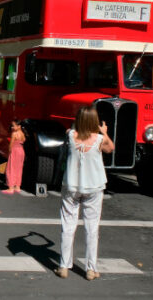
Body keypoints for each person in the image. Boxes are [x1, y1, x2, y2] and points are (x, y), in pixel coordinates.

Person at [55, 107, 115, 281]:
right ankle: (91, 269)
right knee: (91, 227)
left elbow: (71, 129)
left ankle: (63, 265)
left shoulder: (70, 135)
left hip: (72, 186)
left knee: (68, 225)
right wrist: (103, 131)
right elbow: (111, 148)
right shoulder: (99, 139)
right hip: (94, 187)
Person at [2, 120, 26, 194]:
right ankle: (17, 186)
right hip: (21, 151)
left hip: (14, 151)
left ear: (19, 126)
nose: (12, 127)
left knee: (11, 168)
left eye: (13, 125)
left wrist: (8, 152)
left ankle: (11, 188)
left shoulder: (14, 134)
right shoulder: (23, 133)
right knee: (19, 169)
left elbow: (11, 144)